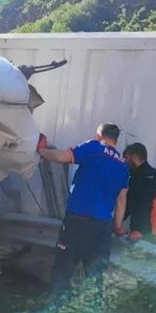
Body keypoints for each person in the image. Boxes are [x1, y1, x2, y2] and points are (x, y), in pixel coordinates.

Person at [36, 123, 129, 299]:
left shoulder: (93, 147)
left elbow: (61, 157)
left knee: (63, 269)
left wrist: (41, 150)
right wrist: (117, 226)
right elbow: (121, 199)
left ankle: (57, 308)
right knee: (95, 276)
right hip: (103, 225)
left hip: (78, 220)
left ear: (99, 136)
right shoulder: (123, 165)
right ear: (116, 140)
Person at [120, 143, 156, 246]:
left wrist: (139, 229)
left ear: (134, 157)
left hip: (152, 232)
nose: (125, 161)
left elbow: (145, 203)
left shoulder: (150, 176)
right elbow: (130, 203)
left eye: (126, 158)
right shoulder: (135, 176)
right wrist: (117, 224)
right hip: (143, 231)